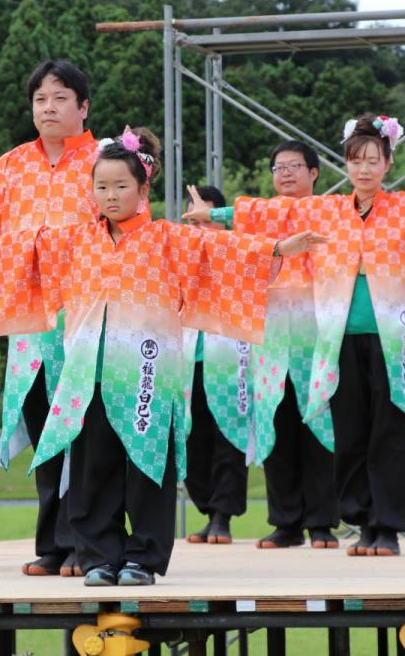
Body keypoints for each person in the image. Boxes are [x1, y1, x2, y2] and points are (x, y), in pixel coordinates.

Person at [0, 127, 325, 585]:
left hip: (146, 374)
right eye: (101, 186)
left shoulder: (167, 239)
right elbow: (25, 249)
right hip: (88, 373)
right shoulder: (76, 240)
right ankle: (99, 554)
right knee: (91, 467)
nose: (111, 195)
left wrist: (277, 247)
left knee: (146, 463)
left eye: (121, 185)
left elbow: (222, 249)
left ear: (143, 188)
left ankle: (142, 556)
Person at [188, 116, 405, 556]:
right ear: (346, 165)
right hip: (338, 337)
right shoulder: (327, 211)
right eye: (356, 161)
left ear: (387, 164)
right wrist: (212, 215)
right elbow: (272, 213)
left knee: (389, 431)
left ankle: (387, 527)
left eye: (373, 160)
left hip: (389, 336)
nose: (364, 169)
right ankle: (362, 521)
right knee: (349, 434)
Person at [0, 59, 97, 577]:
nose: (48, 107)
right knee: (44, 427)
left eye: (60, 98)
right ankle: (54, 544)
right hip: (29, 322)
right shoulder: (9, 167)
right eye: (40, 99)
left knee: (88, 431)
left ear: (83, 107)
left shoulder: (105, 162)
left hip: (89, 319)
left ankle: (89, 544)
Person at [195, 142, 340, 550]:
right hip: (271, 339)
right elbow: (233, 239)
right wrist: (210, 221)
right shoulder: (259, 217)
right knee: (277, 425)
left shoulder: (332, 215)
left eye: (296, 166)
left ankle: (323, 522)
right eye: (279, 167)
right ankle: (286, 522)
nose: (287, 174)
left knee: (318, 424)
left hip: (315, 336)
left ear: (315, 173)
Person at [181, 186, 251, 545]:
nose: (200, 223)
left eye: (207, 216)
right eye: (193, 217)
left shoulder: (237, 251)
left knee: (229, 437)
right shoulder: (179, 255)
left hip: (227, 360)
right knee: (193, 440)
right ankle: (208, 511)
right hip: (187, 360)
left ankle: (223, 516)